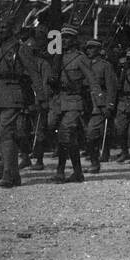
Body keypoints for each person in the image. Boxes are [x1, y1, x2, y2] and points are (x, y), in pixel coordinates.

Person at [0, 24, 43, 189]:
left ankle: (8, 174)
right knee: (4, 134)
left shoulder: (20, 48)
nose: (0, 30)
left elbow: (33, 72)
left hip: (13, 93)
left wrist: (40, 96)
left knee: (6, 133)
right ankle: (13, 174)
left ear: (12, 29)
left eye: (4, 27)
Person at [50, 26, 101, 183]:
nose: (64, 40)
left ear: (74, 40)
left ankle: (60, 171)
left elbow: (93, 81)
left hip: (74, 101)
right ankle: (78, 172)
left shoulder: (80, 58)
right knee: (64, 137)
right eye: (62, 37)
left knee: (65, 133)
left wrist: (99, 103)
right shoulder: (58, 57)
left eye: (67, 38)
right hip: (59, 100)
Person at [83, 39, 118, 173]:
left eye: (92, 48)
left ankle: (95, 163)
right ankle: (93, 160)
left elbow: (111, 87)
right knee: (88, 133)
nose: (88, 51)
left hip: (99, 104)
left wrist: (109, 105)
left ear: (98, 50)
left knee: (92, 133)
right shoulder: (84, 64)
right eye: (88, 48)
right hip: (86, 103)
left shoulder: (105, 66)